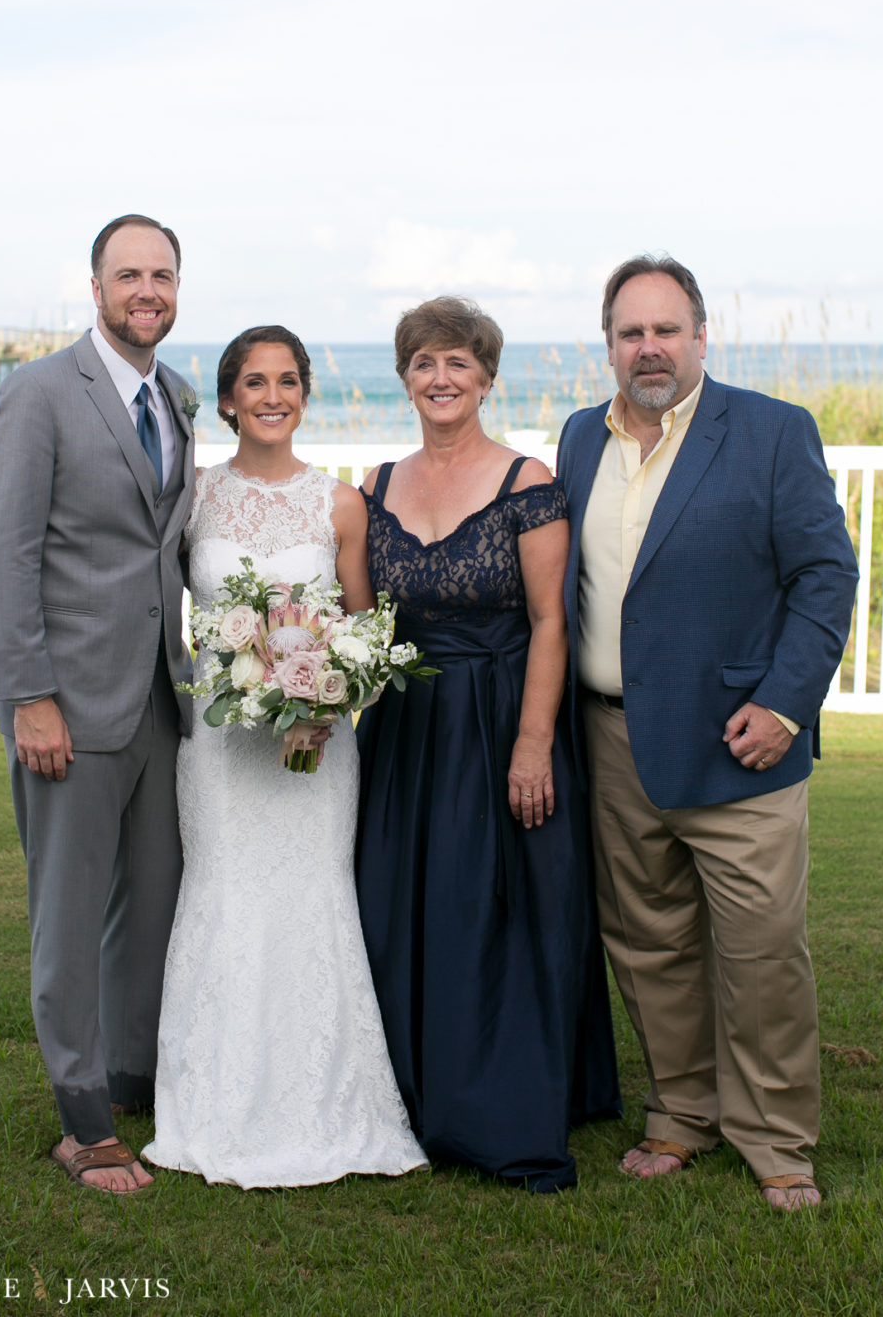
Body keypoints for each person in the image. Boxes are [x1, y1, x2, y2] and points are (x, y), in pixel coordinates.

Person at [557, 254, 858, 1211]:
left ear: (699, 335)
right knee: (648, 944)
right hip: (612, 738)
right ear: (608, 344)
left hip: (742, 745)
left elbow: (825, 576)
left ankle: (775, 1137)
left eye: (666, 329)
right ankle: (681, 1112)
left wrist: (783, 704)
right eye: (630, 332)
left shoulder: (771, 432)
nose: (649, 347)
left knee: (763, 951)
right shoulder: (577, 439)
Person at [141, 326, 425, 1188]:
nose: (273, 395)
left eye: (289, 380)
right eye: (254, 381)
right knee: (223, 896)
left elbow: (368, 634)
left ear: (306, 394)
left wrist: (330, 701)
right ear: (227, 399)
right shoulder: (190, 498)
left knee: (312, 900)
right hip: (222, 746)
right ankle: (216, 1104)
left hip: (316, 750)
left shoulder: (340, 505)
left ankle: (327, 1104)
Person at [353, 297, 620, 1193]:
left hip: (504, 716)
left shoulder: (527, 480)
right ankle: (407, 1098)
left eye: (458, 363)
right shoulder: (375, 485)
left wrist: (533, 743)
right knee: (403, 903)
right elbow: (359, 625)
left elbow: (552, 621)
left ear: (487, 377)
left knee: (492, 910)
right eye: (424, 362)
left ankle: (497, 1102)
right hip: (407, 729)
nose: (441, 378)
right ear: (405, 377)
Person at [0, 214, 197, 1193]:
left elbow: (165, 550)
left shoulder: (178, 397)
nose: (148, 289)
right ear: (94, 287)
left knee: (149, 907)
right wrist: (31, 698)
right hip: (64, 701)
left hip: (157, 700)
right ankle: (83, 1124)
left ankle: (129, 1076)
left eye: (164, 274)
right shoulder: (39, 395)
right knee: (68, 911)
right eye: (129, 274)